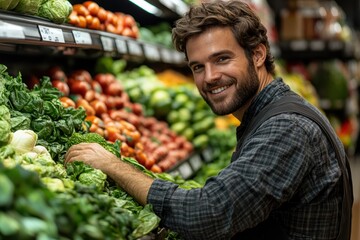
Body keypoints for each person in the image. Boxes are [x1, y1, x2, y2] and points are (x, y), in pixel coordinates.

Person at [65, 1, 353, 239]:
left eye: (222, 59)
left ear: (257, 55)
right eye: (197, 67)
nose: (210, 77)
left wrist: (113, 165)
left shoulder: (287, 128)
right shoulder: (271, 114)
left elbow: (208, 214)